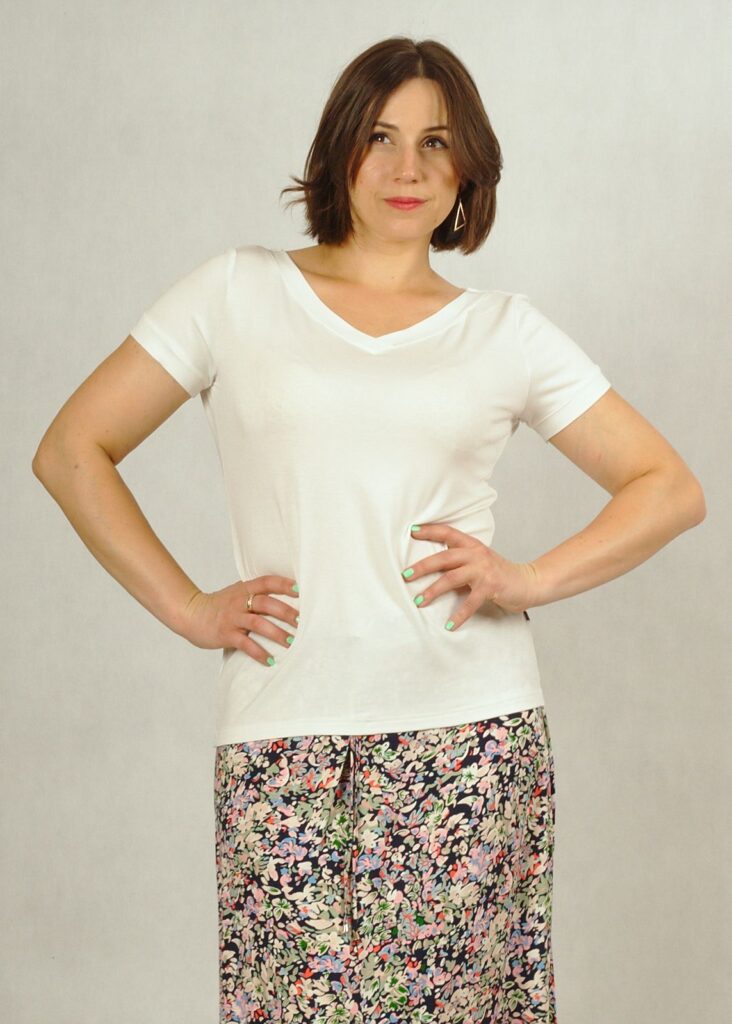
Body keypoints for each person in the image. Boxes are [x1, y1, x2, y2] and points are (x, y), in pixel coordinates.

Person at [32, 35, 705, 1024]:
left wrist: (527, 578)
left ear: (468, 168)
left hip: (470, 740)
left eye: (436, 142)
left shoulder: (504, 330)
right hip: (283, 738)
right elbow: (71, 449)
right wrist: (186, 606)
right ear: (339, 147)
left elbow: (668, 487)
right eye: (381, 137)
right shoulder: (234, 291)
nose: (406, 168)